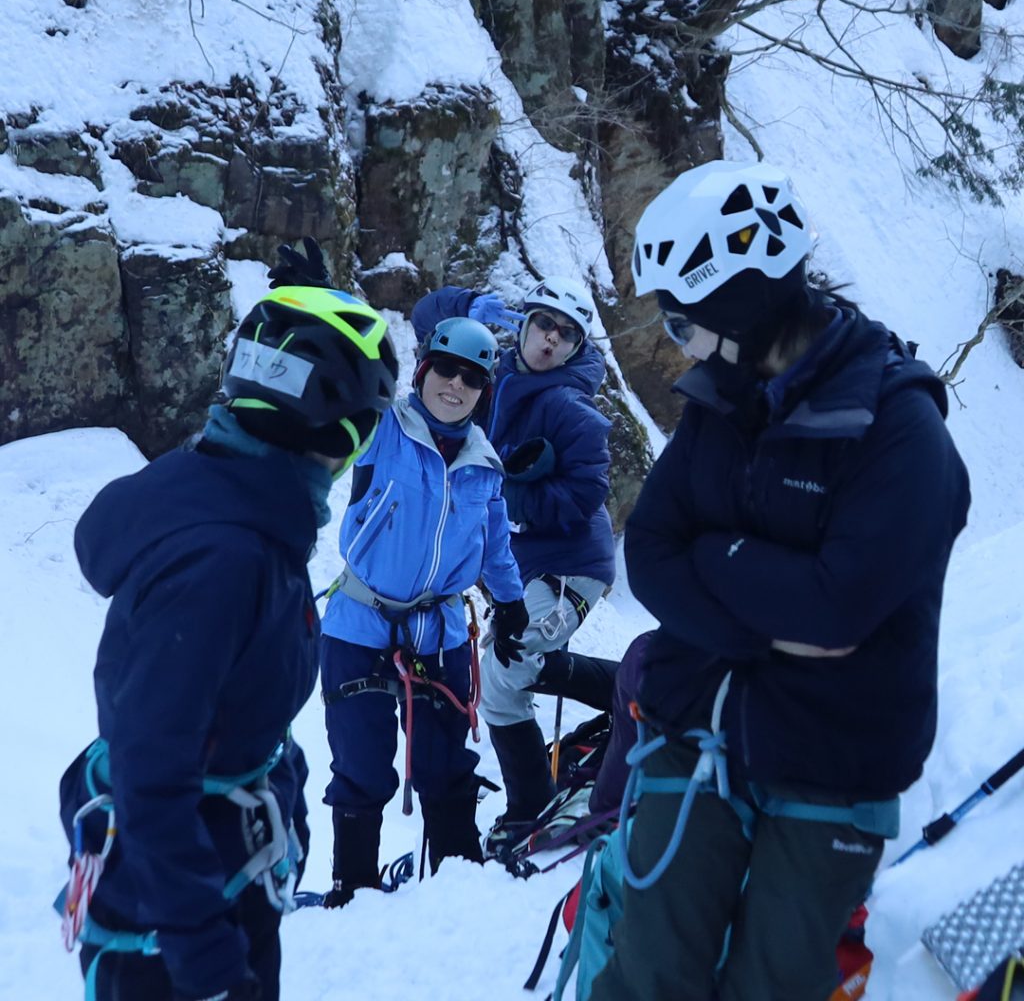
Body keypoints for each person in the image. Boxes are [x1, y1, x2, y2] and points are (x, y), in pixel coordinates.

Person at [589, 159, 971, 1001]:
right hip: (694, 742)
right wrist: (765, 626)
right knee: (648, 975)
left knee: (774, 988)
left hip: (833, 767)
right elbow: (651, 549)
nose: (677, 340)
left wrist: (719, 559)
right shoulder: (726, 404)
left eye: (685, 319)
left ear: (739, 301)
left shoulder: (898, 430)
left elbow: (839, 608)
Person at [58, 280, 399, 1001]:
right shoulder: (225, 560)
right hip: (178, 912)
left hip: (198, 879)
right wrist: (206, 959)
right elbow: (152, 770)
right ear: (339, 435)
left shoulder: (227, 503)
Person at [318, 316, 528, 906]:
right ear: (423, 370)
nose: (456, 386)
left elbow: (494, 544)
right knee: (360, 763)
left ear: (484, 391)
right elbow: (342, 375)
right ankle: (352, 889)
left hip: (439, 632)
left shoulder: (485, 464)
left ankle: (457, 890)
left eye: (473, 378)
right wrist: (307, 302)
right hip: (360, 620)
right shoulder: (384, 426)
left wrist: (510, 604)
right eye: (446, 369)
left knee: (445, 766)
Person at [412, 276, 617, 854]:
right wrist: (470, 306)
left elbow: (586, 495)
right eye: (543, 325)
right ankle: (637, 687)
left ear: (576, 349)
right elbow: (427, 316)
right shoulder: (490, 373)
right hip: (521, 568)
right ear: (523, 325)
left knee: (504, 676)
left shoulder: (569, 406)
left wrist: (502, 496)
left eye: (565, 335)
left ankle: (530, 807)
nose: (550, 341)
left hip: (570, 567)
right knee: (507, 669)